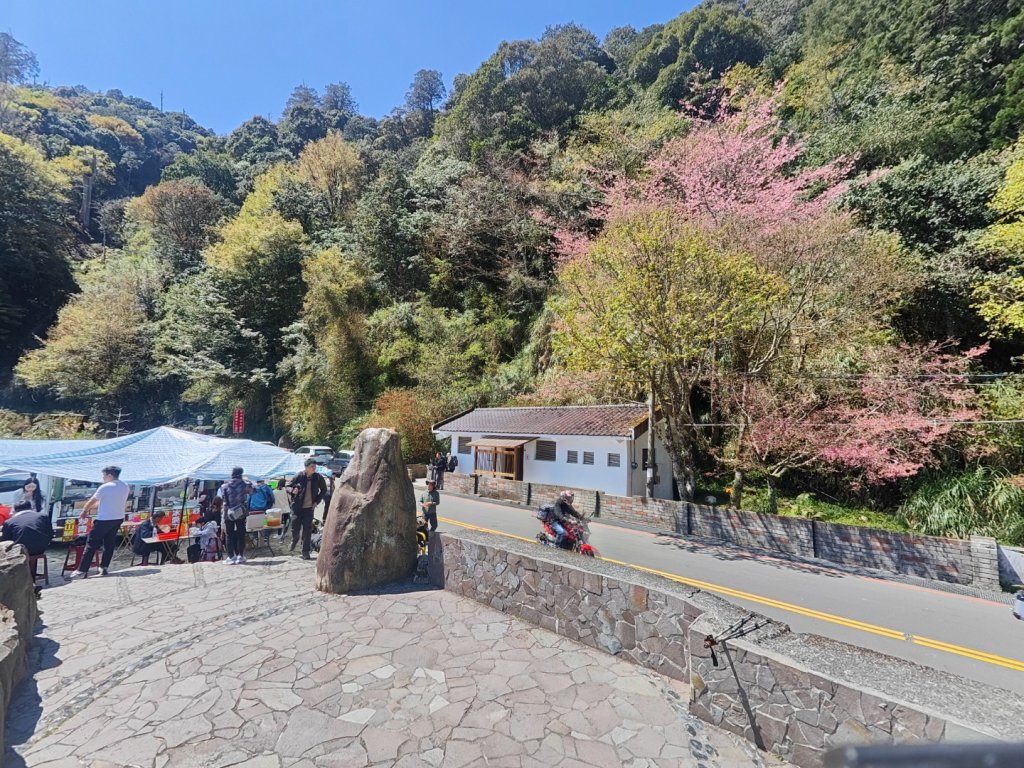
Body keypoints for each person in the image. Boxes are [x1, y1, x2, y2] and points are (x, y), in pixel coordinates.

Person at [68, 466, 131, 579]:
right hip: (117, 518)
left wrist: (84, 511)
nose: (102, 478)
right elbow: (109, 501)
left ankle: (82, 570)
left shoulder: (105, 487)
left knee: (91, 544)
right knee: (109, 543)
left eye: (104, 476)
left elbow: (92, 500)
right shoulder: (125, 486)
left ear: (109, 475)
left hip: (104, 519)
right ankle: (104, 567)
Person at [287, 459, 326, 560]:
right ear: (306, 467)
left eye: (315, 466)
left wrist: (316, 501)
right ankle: (295, 540)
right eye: (312, 466)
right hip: (297, 507)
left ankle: (305, 551)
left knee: (307, 530)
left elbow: (324, 489)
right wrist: (292, 490)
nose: (314, 468)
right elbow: (288, 487)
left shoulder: (318, 477)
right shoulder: (299, 476)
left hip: (309, 508)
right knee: (295, 528)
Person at [219, 468, 252, 565]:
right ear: (241, 474)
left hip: (228, 512)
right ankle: (240, 556)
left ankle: (231, 557)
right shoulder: (245, 484)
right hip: (240, 512)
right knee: (241, 534)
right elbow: (253, 492)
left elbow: (223, 497)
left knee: (229, 534)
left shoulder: (224, 486)